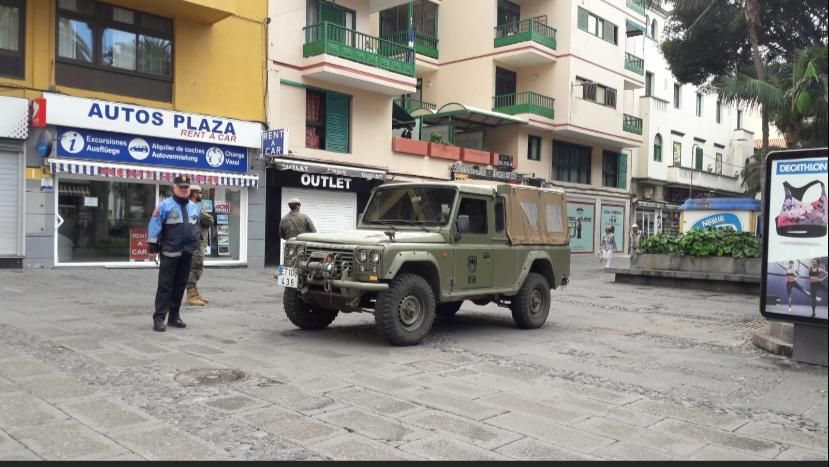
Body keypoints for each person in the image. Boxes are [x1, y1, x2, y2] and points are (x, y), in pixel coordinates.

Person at [148, 175, 201, 332]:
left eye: (186, 187)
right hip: (170, 252)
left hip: (187, 253)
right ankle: (159, 318)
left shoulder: (194, 207)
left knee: (180, 286)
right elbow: (154, 226)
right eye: (181, 187)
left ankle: (174, 317)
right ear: (174, 188)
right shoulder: (164, 206)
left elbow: (195, 227)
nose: (184, 190)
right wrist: (152, 247)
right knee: (165, 287)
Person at [185, 185, 214, 306]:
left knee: (197, 267)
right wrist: (209, 219)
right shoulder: (192, 207)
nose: (201, 195)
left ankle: (194, 292)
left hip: (198, 242)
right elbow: (209, 219)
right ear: (193, 193)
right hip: (196, 243)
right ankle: (191, 295)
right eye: (199, 192)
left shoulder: (194, 206)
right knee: (195, 267)